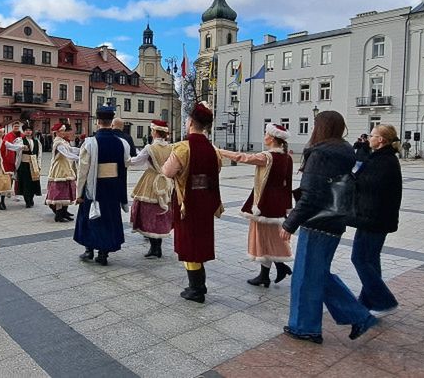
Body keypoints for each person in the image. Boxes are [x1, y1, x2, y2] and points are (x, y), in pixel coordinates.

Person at [281, 110, 377, 345]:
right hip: (335, 220)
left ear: (321, 127)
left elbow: (311, 195)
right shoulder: (345, 150)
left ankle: (306, 327)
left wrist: (290, 223)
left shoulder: (321, 154)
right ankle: (357, 316)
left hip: (317, 222)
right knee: (318, 273)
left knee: (306, 276)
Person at [219, 123, 293, 287]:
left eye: (266, 134)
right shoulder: (287, 157)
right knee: (270, 237)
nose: (264, 136)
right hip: (278, 202)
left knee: (262, 238)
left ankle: (274, 270)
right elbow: (288, 185)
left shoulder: (266, 157)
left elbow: (242, 157)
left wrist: (219, 151)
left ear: (272, 138)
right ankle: (270, 272)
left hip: (264, 202)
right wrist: (287, 206)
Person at [162, 102, 223, 303]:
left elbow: (168, 172)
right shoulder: (213, 150)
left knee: (189, 243)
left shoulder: (182, 148)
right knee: (200, 242)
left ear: (190, 123)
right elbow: (217, 171)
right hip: (206, 201)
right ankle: (198, 285)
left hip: (186, 203)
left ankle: (196, 288)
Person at [352, 124, 403, 315]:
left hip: (374, 218)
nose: (369, 138)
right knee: (370, 260)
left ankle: (385, 302)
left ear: (381, 140)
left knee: (360, 258)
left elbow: (365, 183)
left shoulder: (385, 161)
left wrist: (354, 174)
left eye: (372, 136)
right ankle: (366, 302)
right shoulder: (380, 157)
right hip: (370, 217)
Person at [74, 106, 131, 266]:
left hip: (95, 186)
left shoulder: (90, 143)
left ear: (98, 122)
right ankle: (103, 253)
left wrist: (79, 193)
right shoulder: (122, 143)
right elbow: (126, 163)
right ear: (111, 122)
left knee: (91, 216)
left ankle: (89, 250)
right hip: (113, 187)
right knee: (108, 218)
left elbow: (82, 170)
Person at [128, 120, 175, 259]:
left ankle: (154, 247)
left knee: (149, 211)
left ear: (154, 132)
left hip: (151, 180)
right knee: (161, 211)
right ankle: (157, 246)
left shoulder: (150, 148)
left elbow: (137, 161)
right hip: (166, 181)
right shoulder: (171, 147)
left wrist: (125, 160)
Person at [45, 122, 80, 222]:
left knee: (67, 189)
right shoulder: (58, 142)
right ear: (57, 132)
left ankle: (64, 212)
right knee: (60, 190)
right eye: (62, 131)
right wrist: (79, 158)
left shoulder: (63, 141)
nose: (63, 132)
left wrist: (82, 149)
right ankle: (59, 214)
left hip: (65, 167)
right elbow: (66, 153)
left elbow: (71, 150)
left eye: (64, 131)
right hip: (59, 169)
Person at [14, 122, 43, 208]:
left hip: (34, 164)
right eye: (26, 130)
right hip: (24, 164)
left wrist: (39, 164)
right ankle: (27, 200)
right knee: (26, 183)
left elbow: (39, 154)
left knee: (33, 182)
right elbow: (15, 148)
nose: (28, 132)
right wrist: (22, 147)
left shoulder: (36, 141)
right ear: (23, 131)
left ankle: (31, 197)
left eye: (30, 130)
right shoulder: (20, 140)